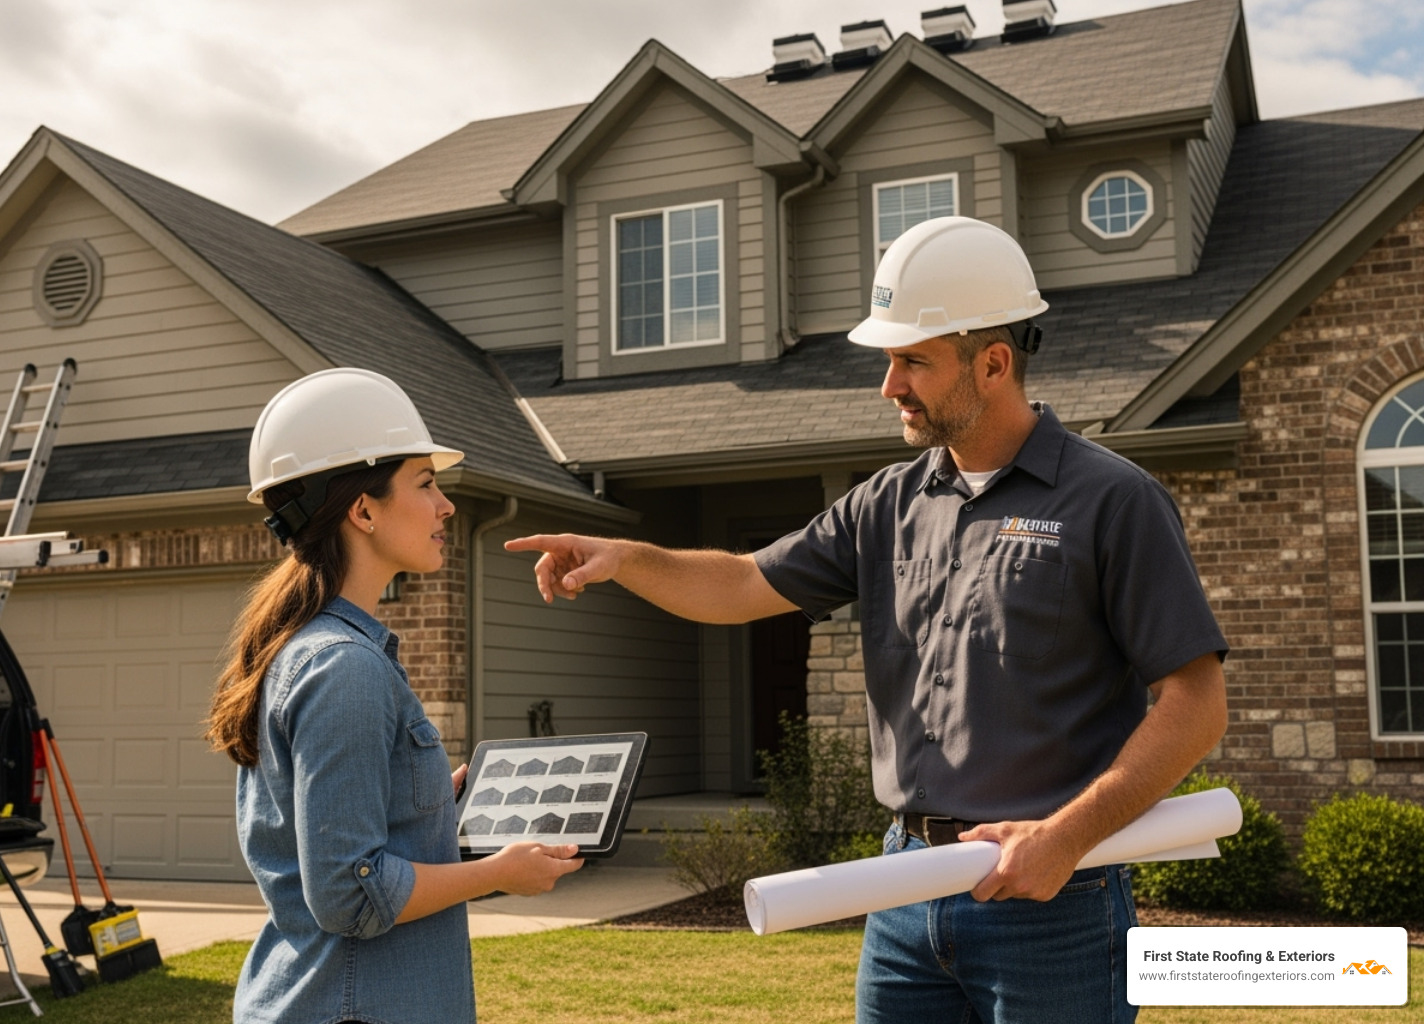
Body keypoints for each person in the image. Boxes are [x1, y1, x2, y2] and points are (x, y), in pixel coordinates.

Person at [505, 217, 1227, 1024]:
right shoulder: (886, 504)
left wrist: (1064, 835)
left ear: (993, 363)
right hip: (903, 890)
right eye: (889, 361)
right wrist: (629, 559)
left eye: (913, 361)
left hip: (1053, 903)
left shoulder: (1113, 501)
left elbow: (1196, 703)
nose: (890, 386)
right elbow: (743, 583)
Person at [207, 368, 581, 1024]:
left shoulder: (316, 651)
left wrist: (434, 801)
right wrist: (499, 871)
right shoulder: (342, 668)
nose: (447, 506)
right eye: (426, 483)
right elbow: (350, 894)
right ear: (363, 509)